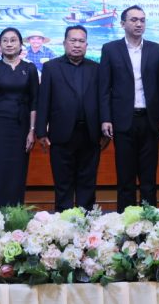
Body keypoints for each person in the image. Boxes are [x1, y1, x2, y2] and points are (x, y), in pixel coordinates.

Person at [98, 5, 159, 210]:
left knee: (149, 178)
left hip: (149, 120)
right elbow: (104, 88)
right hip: (122, 121)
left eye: (142, 20)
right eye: (134, 20)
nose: (139, 24)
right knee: (125, 178)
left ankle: (150, 220)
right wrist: (105, 118)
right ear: (122, 24)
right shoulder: (110, 49)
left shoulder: (156, 50)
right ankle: (125, 221)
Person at [36, 25, 104, 211]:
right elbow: (44, 100)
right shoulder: (51, 67)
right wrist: (41, 131)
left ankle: (86, 220)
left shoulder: (96, 68)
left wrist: (104, 128)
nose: (77, 45)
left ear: (87, 45)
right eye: (73, 40)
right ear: (64, 43)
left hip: (90, 133)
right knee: (63, 183)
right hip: (61, 133)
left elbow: (103, 99)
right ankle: (63, 222)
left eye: (81, 41)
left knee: (87, 181)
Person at [0, 27, 39, 211]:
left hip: (21, 127)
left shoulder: (29, 68)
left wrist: (31, 131)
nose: (9, 44)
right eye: (4, 40)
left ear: (20, 44)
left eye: (13, 40)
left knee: (17, 173)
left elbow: (34, 102)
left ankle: (15, 217)